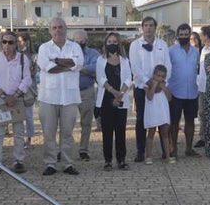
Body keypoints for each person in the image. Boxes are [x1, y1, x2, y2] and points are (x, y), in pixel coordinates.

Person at [37, 16, 83, 176]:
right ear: (50, 30)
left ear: (66, 29)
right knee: (49, 133)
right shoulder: (44, 48)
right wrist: (68, 65)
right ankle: (50, 163)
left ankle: (67, 164)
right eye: (55, 27)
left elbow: (79, 63)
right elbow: (47, 67)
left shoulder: (75, 47)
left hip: (70, 98)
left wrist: (56, 61)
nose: (58, 30)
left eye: (60, 27)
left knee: (68, 133)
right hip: (48, 97)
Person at [0, 31, 32, 174]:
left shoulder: (23, 59)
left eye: (10, 42)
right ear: (1, 43)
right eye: (4, 42)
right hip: (0, 100)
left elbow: (27, 79)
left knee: (18, 132)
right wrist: (5, 96)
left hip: (17, 99)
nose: (7, 45)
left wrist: (15, 95)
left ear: (16, 44)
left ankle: (19, 161)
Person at [128, 16, 169, 162]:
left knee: (162, 119)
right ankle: (141, 151)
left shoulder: (163, 44)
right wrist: (149, 82)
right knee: (141, 119)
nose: (148, 28)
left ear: (155, 27)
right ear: (142, 28)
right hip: (142, 87)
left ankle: (166, 151)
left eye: (151, 25)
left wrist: (162, 82)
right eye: (146, 25)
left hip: (160, 89)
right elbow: (135, 67)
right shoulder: (134, 45)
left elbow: (167, 65)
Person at [95, 31, 133, 170]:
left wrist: (121, 93)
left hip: (121, 98)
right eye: (109, 42)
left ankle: (121, 159)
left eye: (114, 42)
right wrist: (114, 91)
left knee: (120, 130)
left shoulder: (125, 60)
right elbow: (100, 78)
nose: (112, 44)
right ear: (106, 44)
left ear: (119, 44)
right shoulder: (101, 60)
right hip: (106, 98)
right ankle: (108, 160)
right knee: (107, 131)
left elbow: (129, 78)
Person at [167, 23, 201, 158]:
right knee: (174, 122)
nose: (184, 37)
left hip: (192, 91)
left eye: (186, 34)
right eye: (181, 35)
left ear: (190, 35)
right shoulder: (171, 51)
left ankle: (188, 148)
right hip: (175, 91)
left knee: (190, 121)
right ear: (177, 35)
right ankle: (173, 149)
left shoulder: (196, 51)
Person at [72, 29, 100, 160]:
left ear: (86, 40)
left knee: (86, 122)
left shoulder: (93, 53)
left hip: (86, 91)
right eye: (76, 41)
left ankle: (83, 150)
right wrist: (86, 69)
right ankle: (65, 149)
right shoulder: (68, 52)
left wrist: (78, 68)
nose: (78, 44)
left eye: (81, 41)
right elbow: (64, 67)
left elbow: (96, 68)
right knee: (67, 123)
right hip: (70, 92)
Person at [143, 64, 173, 164]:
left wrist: (164, 88)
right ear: (154, 75)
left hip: (163, 111)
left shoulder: (165, 84)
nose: (160, 78)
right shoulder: (148, 84)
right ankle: (148, 156)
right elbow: (150, 97)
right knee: (151, 133)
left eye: (162, 76)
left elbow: (169, 98)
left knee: (165, 133)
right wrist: (154, 86)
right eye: (158, 75)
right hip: (152, 111)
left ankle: (168, 156)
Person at [16, 30, 37, 147]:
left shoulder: (32, 56)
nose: (20, 43)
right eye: (18, 41)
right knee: (18, 116)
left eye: (21, 41)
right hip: (17, 89)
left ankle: (29, 138)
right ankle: (19, 138)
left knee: (28, 116)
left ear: (27, 42)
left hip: (29, 89)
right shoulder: (16, 55)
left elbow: (34, 73)